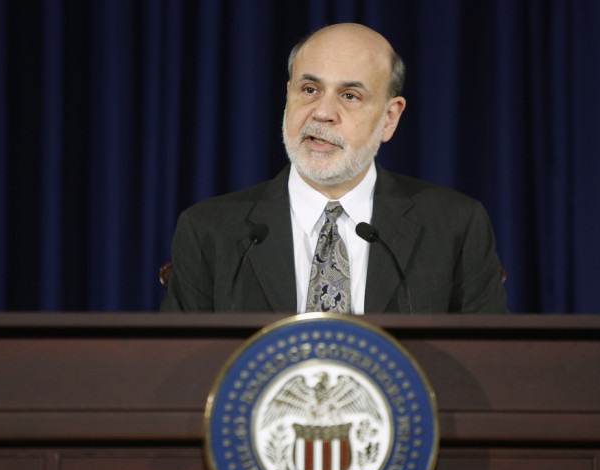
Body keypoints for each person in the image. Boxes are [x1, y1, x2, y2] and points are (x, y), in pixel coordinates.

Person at [161, 23, 507, 313]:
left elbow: (486, 362)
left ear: (390, 118)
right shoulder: (208, 230)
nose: (322, 112)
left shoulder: (456, 225)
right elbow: (184, 365)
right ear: (288, 96)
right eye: (309, 89)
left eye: (350, 95)